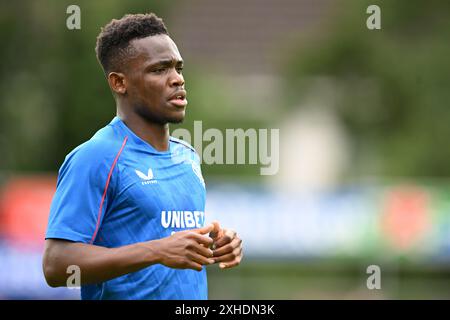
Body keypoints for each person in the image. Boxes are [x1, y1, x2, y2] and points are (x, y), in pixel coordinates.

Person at [42, 13, 243, 300]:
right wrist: (158, 251)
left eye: (178, 67)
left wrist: (218, 244)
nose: (177, 80)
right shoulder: (95, 157)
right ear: (119, 83)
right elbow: (56, 265)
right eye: (159, 70)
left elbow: (167, 241)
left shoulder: (188, 158)